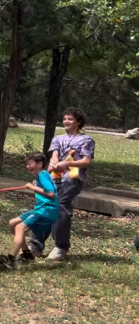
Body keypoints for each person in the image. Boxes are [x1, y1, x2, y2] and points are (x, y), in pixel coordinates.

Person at [28, 108, 95, 261]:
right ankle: (36, 246)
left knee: (61, 206)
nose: (66, 121)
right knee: (44, 206)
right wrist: (53, 164)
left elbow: (86, 161)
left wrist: (66, 164)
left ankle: (60, 247)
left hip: (72, 179)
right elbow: (54, 156)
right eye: (65, 119)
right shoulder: (58, 139)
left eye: (70, 119)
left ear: (78, 122)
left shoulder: (86, 140)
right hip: (54, 178)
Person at [0, 153, 58, 268]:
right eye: (26, 164)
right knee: (13, 223)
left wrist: (33, 187)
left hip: (46, 210)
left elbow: (51, 193)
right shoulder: (39, 177)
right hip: (40, 209)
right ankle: (27, 254)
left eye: (30, 164)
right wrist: (35, 185)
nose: (27, 167)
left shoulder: (43, 175)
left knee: (19, 227)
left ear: (40, 164)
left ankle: (10, 258)